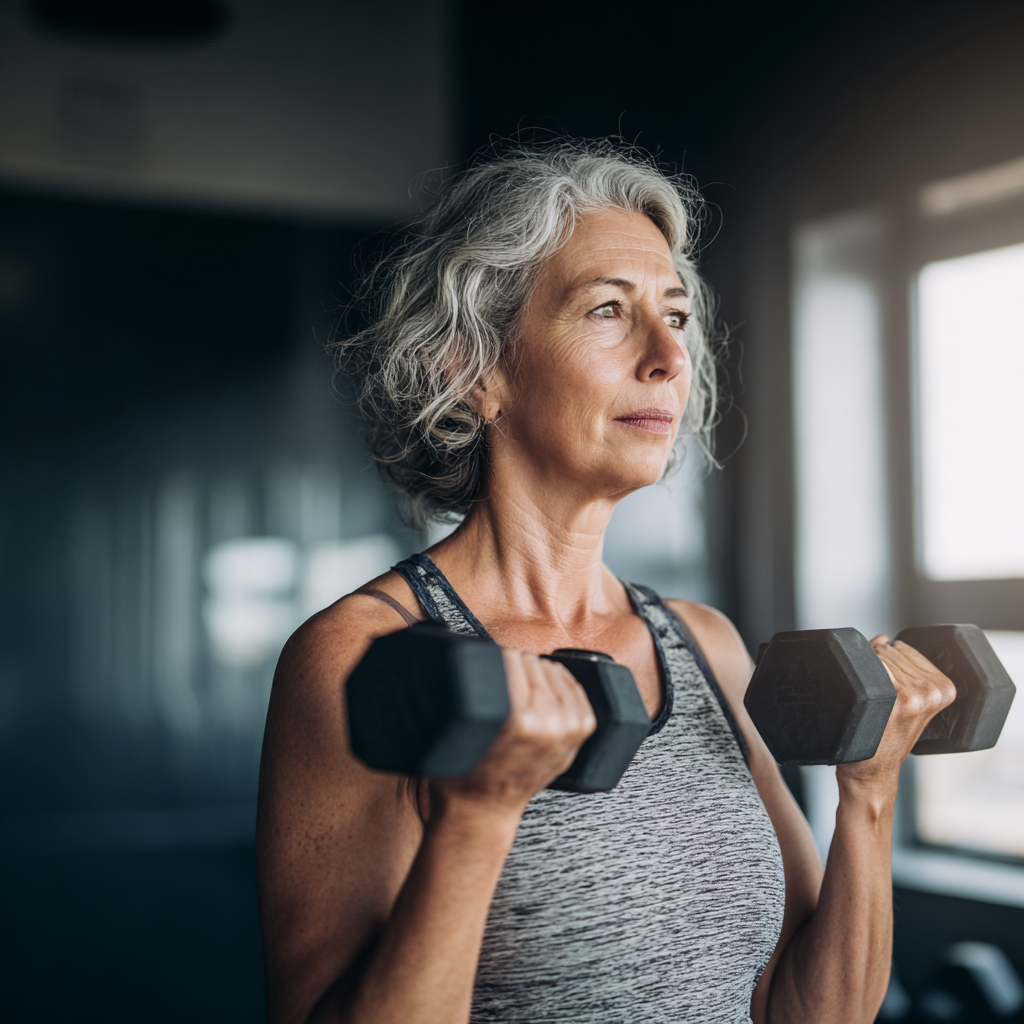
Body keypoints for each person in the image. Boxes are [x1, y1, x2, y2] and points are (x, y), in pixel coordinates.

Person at [255, 142, 954, 1024]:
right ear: (473, 370)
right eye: (607, 310)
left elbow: (811, 1013)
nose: (668, 356)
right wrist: (480, 814)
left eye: (676, 315)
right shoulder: (362, 657)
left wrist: (871, 795)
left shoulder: (705, 645)